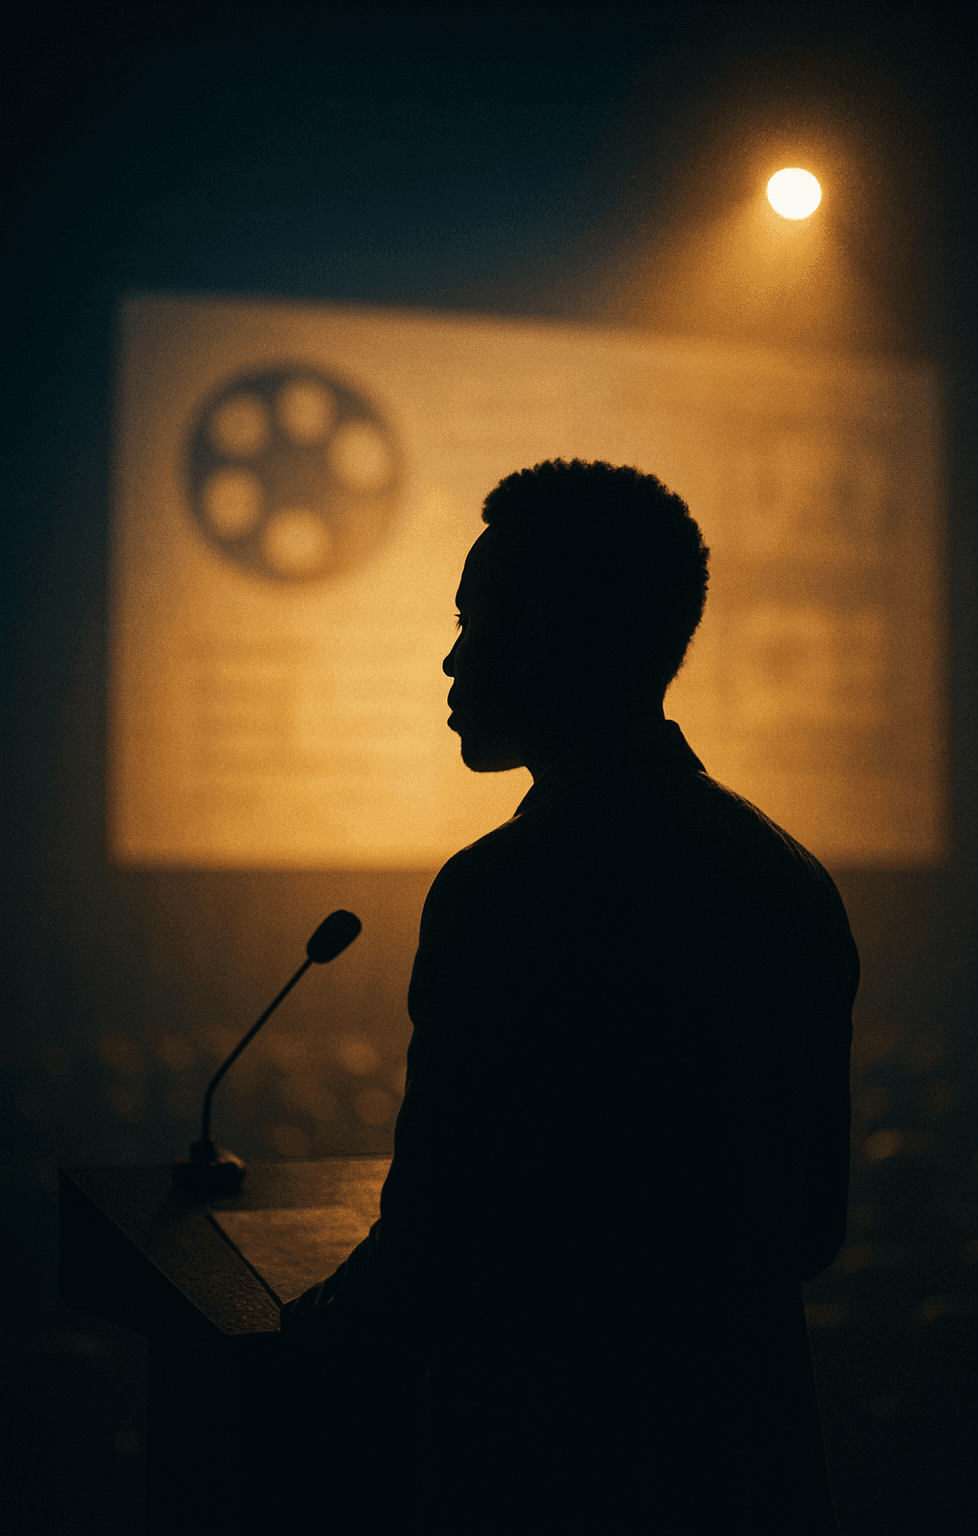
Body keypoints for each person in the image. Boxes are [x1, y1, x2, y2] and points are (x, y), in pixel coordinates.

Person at [282, 458, 857, 1533]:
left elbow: (436, 1246)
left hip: (546, 1468)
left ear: (535, 632)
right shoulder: (790, 879)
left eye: (468, 620)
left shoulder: (505, 889)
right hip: (749, 1465)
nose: (449, 659)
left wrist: (305, 1329)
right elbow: (812, 1227)